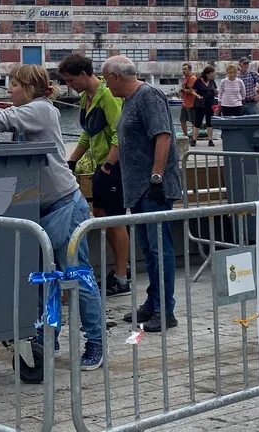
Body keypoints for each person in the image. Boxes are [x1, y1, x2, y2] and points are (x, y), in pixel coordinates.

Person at [0, 64, 104, 370]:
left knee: (78, 276)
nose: (10, 90)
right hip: (40, 209)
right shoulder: (26, 111)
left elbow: (3, 119)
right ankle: (48, 336)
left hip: (64, 205)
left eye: (15, 85)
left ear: (31, 88)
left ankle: (96, 342)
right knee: (45, 279)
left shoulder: (42, 109)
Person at [101, 55, 182, 332]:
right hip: (137, 189)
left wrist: (157, 177)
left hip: (152, 188)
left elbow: (163, 136)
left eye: (106, 79)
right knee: (148, 248)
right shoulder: (129, 100)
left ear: (116, 77)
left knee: (160, 249)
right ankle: (153, 301)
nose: (106, 85)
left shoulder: (148, 96)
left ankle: (165, 310)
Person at [58, 53, 130, 297]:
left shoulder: (107, 95)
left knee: (115, 218)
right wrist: (72, 160)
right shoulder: (85, 98)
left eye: (71, 80)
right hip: (101, 164)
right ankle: (121, 269)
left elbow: (119, 132)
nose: (69, 86)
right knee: (100, 214)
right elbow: (87, 133)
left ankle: (122, 277)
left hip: (114, 165)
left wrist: (109, 164)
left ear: (84, 74)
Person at [192, 65, 217, 146]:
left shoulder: (212, 81)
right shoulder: (198, 81)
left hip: (210, 103)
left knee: (209, 122)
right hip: (200, 104)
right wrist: (197, 95)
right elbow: (193, 91)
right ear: (207, 74)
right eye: (212, 73)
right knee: (198, 122)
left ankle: (210, 140)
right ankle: (194, 139)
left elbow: (215, 90)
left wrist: (216, 93)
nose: (214, 75)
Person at [179, 63, 198, 138]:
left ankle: (193, 137)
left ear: (190, 70)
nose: (183, 71)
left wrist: (183, 90)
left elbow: (193, 91)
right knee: (182, 120)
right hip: (185, 103)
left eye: (185, 69)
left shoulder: (193, 78)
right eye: (183, 69)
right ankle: (185, 135)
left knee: (193, 122)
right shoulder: (185, 78)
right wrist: (182, 92)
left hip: (192, 104)